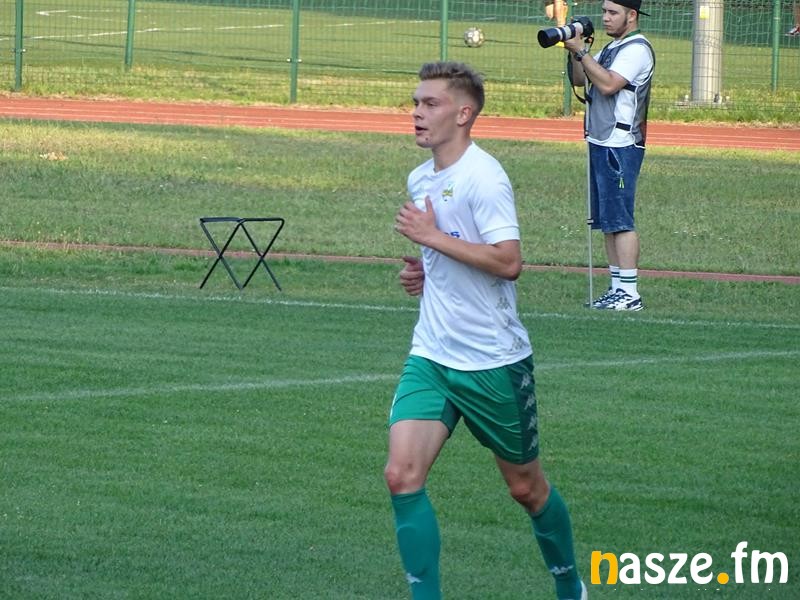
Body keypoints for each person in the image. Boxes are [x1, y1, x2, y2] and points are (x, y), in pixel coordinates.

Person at [386, 61, 587, 600]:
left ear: (463, 113)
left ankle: (571, 588)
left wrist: (432, 238)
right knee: (401, 475)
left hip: (492, 361)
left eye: (429, 104)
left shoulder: (485, 176)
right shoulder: (421, 178)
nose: (416, 112)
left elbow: (508, 261)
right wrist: (424, 269)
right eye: (416, 102)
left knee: (526, 489)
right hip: (432, 355)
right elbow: (449, 252)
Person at [564, 0, 655, 311]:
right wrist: (576, 50)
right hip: (602, 140)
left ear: (632, 15)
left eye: (612, 13)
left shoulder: (637, 49)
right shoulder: (612, 48)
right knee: (607, 220)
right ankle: (617, 287)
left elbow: (608, 85)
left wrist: (582, 52)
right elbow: (581, 80)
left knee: (621, 220)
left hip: (621, 143)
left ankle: (630, 293)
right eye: (604, 11)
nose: (605, 18)